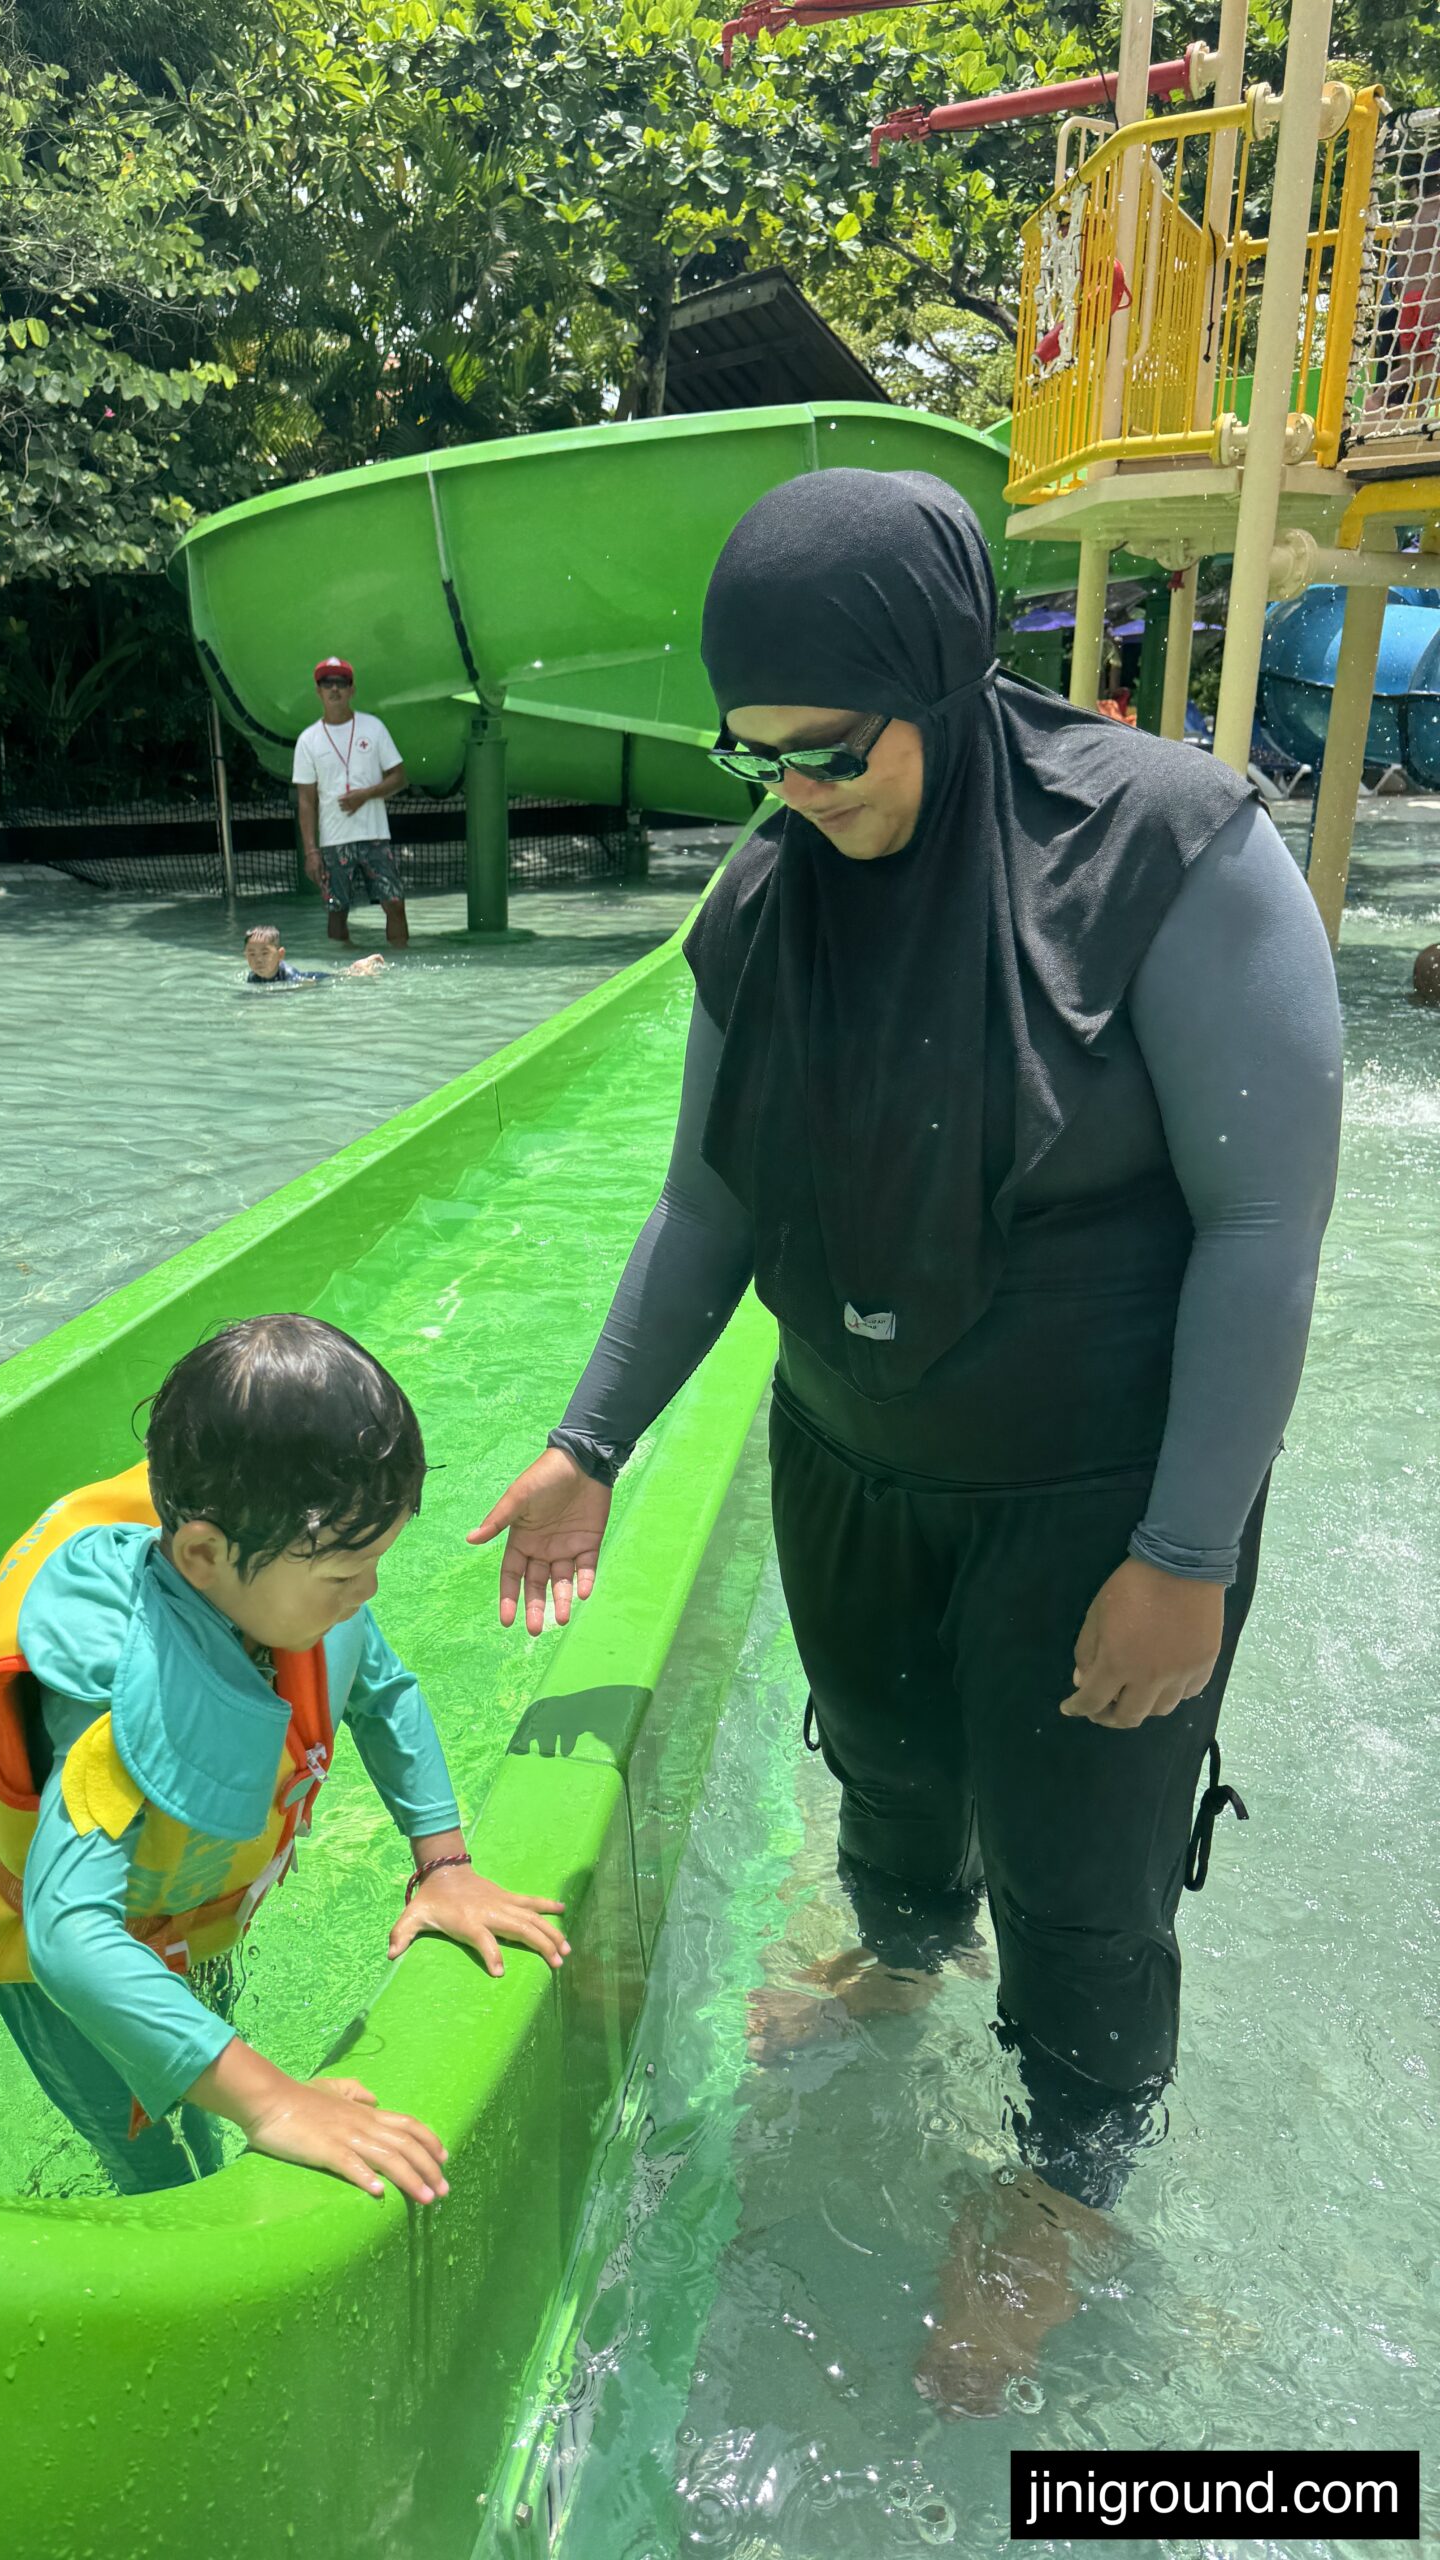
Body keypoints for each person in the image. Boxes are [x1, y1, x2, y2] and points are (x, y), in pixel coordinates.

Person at [469, 470, 1343, 2410]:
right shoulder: (769, 902)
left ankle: (1065, 2179)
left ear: (943, 679)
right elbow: (706, 1206)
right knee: (883, 1767)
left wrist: (1186, 1553)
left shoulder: (1169, 857)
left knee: (1087, 1869)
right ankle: (896, 1947)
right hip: (852, 1460)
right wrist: (589, 1437)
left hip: (1093, 1495)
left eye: (833, 748)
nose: (795, 788)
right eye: (753, 754)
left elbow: (1270, 1225)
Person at [0, 1314, 569, 2201]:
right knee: (153, 2167)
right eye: (343, 1575)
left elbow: (384, 1691)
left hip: (188, 1909)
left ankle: (213, 2100)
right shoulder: (121, 1712)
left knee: (204, 2052)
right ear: (202, 1554)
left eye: (375, 1561)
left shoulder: (291, 1574)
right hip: (68, 1990)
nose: (367, 1592)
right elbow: (70, 1937)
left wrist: (444, 1865)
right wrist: (276, 2104)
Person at [292, 657, 411, 950]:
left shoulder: (373, 727)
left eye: (341, 683)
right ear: (318, 690)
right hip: (334, 840)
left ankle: (401, 964)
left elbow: (400, 778)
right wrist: (311, 851)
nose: (335, 689)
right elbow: (306, 801)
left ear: (352, 689)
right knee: (337, 911)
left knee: (394, 904)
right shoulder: (308, 740)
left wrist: (366, 795)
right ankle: (343, 974)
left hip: (375, 836)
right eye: (327, 683)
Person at [239, 923, 384, 990]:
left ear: (280, 955)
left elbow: (307, 985)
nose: (258, 959)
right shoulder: (252, 977)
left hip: (316, 978)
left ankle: (360, 965)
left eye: (265, 953)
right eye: (251, 954)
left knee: (345, 976)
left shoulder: (290, 976)